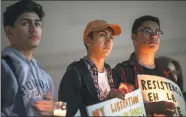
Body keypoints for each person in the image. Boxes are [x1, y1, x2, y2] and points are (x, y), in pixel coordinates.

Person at [112, 15, 177, 116]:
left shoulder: (168, 74)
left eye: (158, 32)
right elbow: (114, 109)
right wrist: (150, 108)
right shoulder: (121, 72)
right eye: (147, 31)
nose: (154, 36)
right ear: (134, 37)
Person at [58, 19, 125, 116]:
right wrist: (106, 102)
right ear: (88, 40)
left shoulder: (114, 74)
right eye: (102, 35)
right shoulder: (73, 73)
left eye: (111, 37)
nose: (109, 40)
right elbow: (60, 113)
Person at [1, 0, 55, 116]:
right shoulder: (3, 67)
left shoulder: (46, 76)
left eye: (37, 24)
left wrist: (56, 109)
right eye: (25, 23)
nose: (33, 29)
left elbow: (63, 111)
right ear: (9, 32)